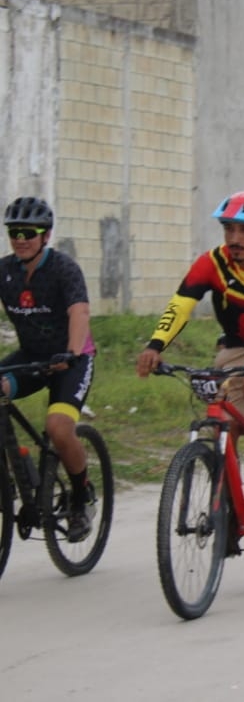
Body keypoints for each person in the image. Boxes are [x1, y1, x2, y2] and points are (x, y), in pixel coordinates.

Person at [136, 190, 244, 508]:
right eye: (229, 228)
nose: (234, 238)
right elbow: (181, 304)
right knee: (224, 425)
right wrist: (155, 345)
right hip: (237, 347)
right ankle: (227, 511)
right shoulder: (213, 262)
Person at [0, 196, 96, 541]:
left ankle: (80, 494)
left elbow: (79, 313)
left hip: (72, 359)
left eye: (28, 232)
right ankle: (16, 476)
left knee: (58, 427)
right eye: (14, 232)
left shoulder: (63, 269)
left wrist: (70, 353)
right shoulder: (5, 270)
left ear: (46, 235)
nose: (20, 239)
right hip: (31, 356)